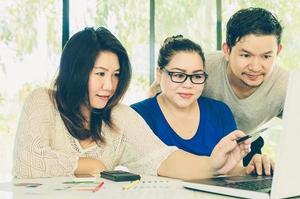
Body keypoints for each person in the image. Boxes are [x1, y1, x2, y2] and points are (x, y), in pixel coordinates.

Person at [13, 27, 251, 179]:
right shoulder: (43, 100)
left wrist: (213, 164)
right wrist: (91, 164)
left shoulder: (120, 116)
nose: (109, 85)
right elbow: (29, 161)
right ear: (76, 71)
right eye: (100, 74)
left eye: (116, 75)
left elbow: (163, 159)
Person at [149, 7, 289, 165]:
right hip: (197, 144)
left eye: (266, 56)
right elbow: (156, 96)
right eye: (246, 55)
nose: (255, 67)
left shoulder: (287, 87)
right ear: (227, 50)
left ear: (278, 51)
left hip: (246, 146)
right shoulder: (199, 68)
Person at [132, 35, 273, 176]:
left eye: (197, 76)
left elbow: (233, 171)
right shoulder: (135, 116)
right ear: (159, 73)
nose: (188, 85)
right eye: (178, 75)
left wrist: (251, 169)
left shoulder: (220, 112)